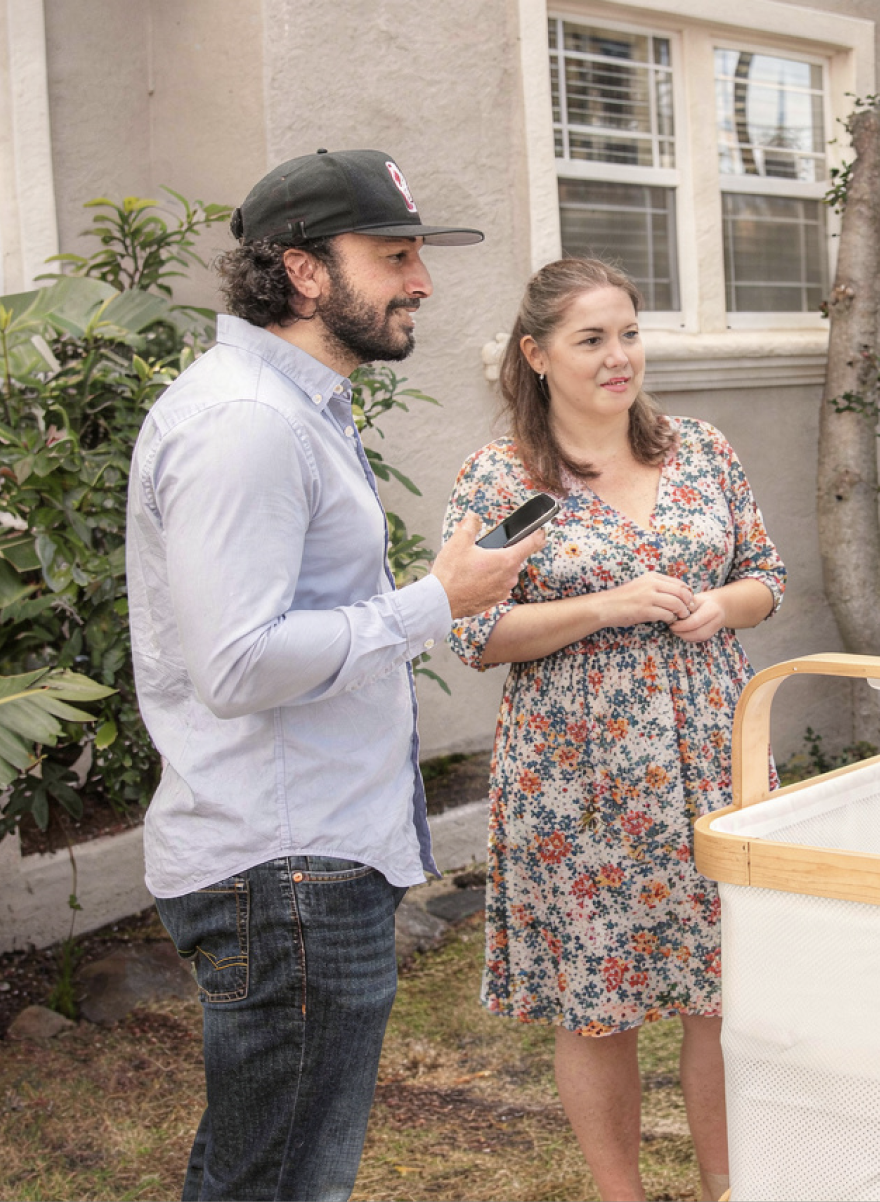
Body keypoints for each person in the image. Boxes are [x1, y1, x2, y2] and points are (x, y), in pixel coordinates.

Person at [126, 149, 546, 1201]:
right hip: (284, 867)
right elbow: (236, 663)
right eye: (394, 255)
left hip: (303, 860)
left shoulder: (290, 405)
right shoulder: (250, 423)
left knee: (277, 1168)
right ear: (304, 272)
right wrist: (433, 600)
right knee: (271, 1179)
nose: (422, 281)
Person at [444, 257, 786, 1202]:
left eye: (629, 333)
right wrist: (606, 605)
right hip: (578, 771)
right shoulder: (510, 479)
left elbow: (768, 576)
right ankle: (619, 1193)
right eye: (591, 339)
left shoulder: (699, 450)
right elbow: (472, 631)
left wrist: (723, 604)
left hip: (717, 749)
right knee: (601, 1000)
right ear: (537, 355)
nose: (617, 356)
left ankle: (732, 1185)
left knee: (727, 985)